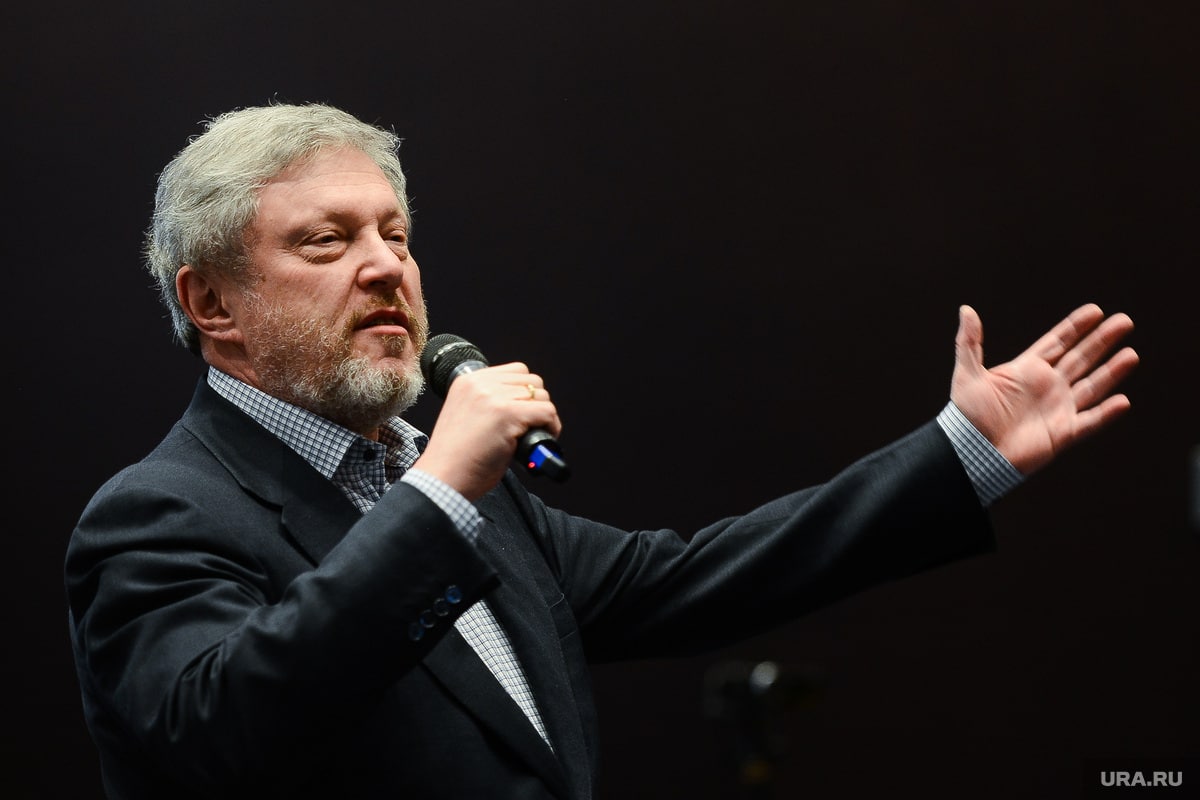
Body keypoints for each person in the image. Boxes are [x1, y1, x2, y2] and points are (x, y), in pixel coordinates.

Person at [64, 102, 1139, 800]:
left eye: (396, 233)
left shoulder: (459, 493)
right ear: (213, 303)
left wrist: (962, 452)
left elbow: (699, 576)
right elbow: (221, 732)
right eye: (327, 240)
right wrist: (441, 491)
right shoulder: (161, 513)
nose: (386, 266)